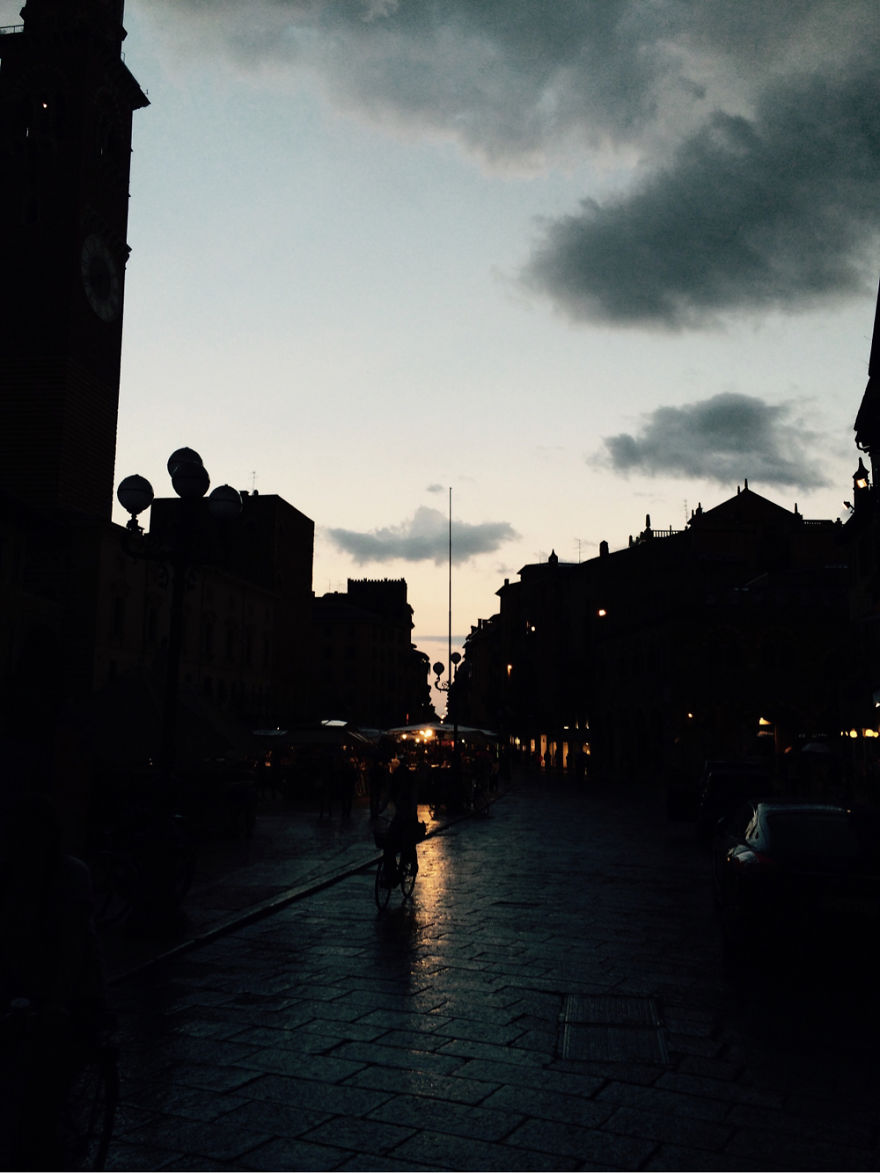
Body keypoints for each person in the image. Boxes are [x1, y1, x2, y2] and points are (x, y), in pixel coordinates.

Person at [0, 791, 109, 1169]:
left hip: (71, 996)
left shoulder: (70, 876)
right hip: (20, 987)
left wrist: (59, 1003)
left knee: (40, 1103)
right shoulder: (9, 879)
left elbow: (72, 947)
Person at [380, 756, 422, 883]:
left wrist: (380, 810)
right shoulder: (402, 783)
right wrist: (380, 810)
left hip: (408, 817)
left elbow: (413, 803)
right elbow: (387, 797)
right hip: (401, 816)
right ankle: (392, 871)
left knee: (406, 842)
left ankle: (409, 866)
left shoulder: (408, 787)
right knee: (391, 842)